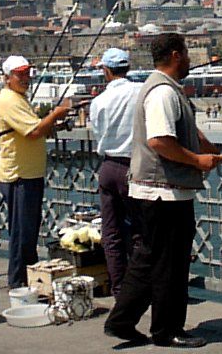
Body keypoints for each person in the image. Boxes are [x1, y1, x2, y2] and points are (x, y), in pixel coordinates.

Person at [105, 33, 222, 348]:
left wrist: (216, 153)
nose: (191, 59)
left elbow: (187, 130)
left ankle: (121, 321)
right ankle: (167, 330)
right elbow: (160, 141)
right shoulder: (163, 93)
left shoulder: (164, 90)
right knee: (171, 264)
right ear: (177, 55)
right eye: (188, 54)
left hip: (156, 191)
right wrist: (196, 160)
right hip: (163, 192)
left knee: (148, 259)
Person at [0, 54, 71, 288]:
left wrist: (53, 124)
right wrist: (55, 114)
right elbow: (33, 132)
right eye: (20, 74)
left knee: (28, 232)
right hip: (19, 176)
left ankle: (30, 280)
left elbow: (33, 129)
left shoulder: (19, 98)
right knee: (21, 235)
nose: (26, 78)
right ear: (7, 78)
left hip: (29, 174)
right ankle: (19, 284)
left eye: (27, 73)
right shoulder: (9, 100)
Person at [88, 47, 141, 299]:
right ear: (127, 68)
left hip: (108, 168)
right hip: (136, 168)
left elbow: (98, 134)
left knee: (111, 233)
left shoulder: (98, 101)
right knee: (141, 231)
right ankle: (141, 286)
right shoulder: (141, 93)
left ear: (106, 71)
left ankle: (119, 289)